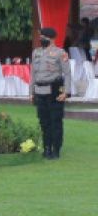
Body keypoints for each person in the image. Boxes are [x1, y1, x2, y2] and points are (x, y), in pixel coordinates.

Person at [31, 27, 71, 159]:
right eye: (40, 37)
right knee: (44, 121)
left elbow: (67, 74)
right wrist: (31, 92)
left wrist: (66, 92)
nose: (41, 39)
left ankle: (56, 149)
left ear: (51, 38)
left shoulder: (60, 53)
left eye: (43, 37)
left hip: (54, 91)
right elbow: (33, 74)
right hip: (39, 91)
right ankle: (46, 147)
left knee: (55, 121)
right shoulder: (36, 52)